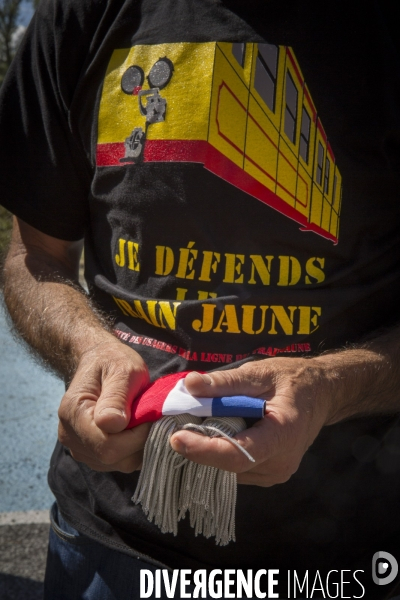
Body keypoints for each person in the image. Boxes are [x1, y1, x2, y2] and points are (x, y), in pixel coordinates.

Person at [1, 0, 400, 598]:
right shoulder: (80, 13)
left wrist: (329, 386)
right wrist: (86, 348)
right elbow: (34, 256)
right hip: (106, 542)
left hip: (342, 557)